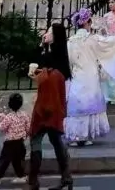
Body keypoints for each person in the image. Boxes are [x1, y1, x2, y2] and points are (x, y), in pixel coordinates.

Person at [63, 8, 115, 146]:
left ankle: (75, 135)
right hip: (91, 75)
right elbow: (110, 44)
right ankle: (88, 135)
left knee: (77, 105)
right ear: (87, 23)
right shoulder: (93, 39)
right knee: (90, 105)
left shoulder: (70, 42)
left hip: (77, 75)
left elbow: (70, 61)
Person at [27, 59, 72, 190]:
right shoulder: (59, 75)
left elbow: (39, 78)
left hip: (41, 113)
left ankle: (33, 180)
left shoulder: (44, 75)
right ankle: (66, 177)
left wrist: (32, 73)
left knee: (35, 142)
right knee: (57, 143)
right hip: (55, 114)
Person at [0, 93, 29, 186]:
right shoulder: (24, 115)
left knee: (4, 161)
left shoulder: (9, 117)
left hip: (10, 144)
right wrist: (25, 135)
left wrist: (1, 119)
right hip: (20, 142)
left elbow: (1, 128)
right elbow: (28, 127)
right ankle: (21, 176)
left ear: (10, 104)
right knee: (18, 161)